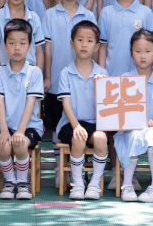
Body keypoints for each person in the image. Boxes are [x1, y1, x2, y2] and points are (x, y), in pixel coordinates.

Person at [43, 0, 97, 172]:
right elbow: (47, 49)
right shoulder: (49, 14)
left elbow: (95, 48)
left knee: (81, 127)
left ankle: (79, 168)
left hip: (83, 83)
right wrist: (47, 77)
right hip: (57, 81)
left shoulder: (89, 15)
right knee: (58, 125)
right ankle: (59, 167)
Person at [114, 30, 153, 203]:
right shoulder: (124, 79)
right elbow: (118, 110)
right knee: (135, 135)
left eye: (148, 51)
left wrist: (151, 122)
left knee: (152, 136)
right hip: (130, 129)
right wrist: (135, 122)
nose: (143, 56)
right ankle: (127, 185)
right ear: (131, 52)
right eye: (138, 51)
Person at [55, 21, 108, 200]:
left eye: (89, 41)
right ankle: (77, 184)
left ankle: (94, 184)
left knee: (101, 138)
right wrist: (76, 125)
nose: (84, 44)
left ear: (97, 46)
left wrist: (100, 87)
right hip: (70, 123)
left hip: (94, 123)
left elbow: (106, 109)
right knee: (78, 137)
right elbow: (66, 104)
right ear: (72, 44)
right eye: (79, 40)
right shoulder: (65, 73)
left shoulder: (102, 74)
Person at [0, 19, 45, 201]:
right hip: (6, 125)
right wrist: (4, 130)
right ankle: (10, 182)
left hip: (29, 126)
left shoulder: (35, 72)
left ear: (30, 46)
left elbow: (31, 104)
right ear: (4, 45)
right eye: (12, 42)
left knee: (20, 143)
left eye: (22, 43)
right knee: (4, 145)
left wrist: (20, 131)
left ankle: (23, 182)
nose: (17, 47)